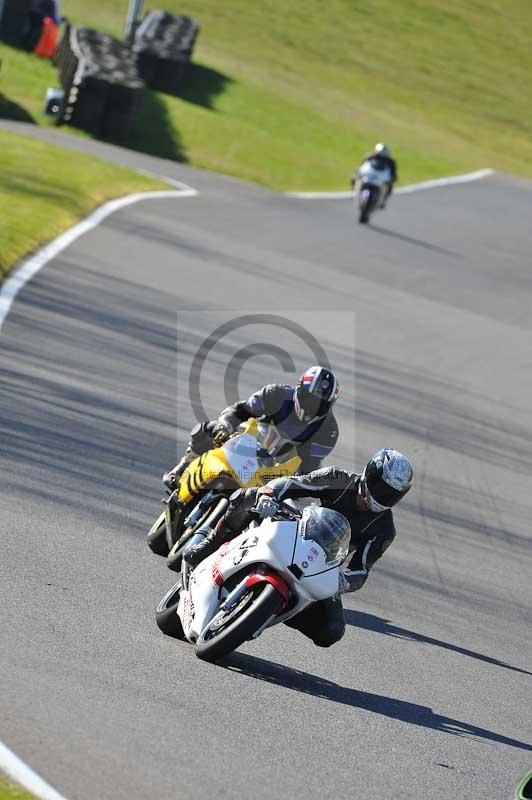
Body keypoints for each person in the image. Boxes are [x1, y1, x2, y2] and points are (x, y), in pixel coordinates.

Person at [184, 448, 413, 648]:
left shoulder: (384, 530)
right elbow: (294, 484)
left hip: (323, 565)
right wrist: (270, 494)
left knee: (332, 630)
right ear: (369, 475)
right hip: (297, 528)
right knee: (250, 496)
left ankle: (272, 611)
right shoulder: (338, 478)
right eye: (380, 488)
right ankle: (212, 543)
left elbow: (361, 570)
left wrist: (343, 582)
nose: (383, 497)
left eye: (391, 494)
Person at [163, 366, 340, 489]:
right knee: (208, 429)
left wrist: (294, 481)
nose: (312, 408)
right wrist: (225, 425)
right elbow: (239, 411)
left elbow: (308, 466)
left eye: (320, 405)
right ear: (298, 390)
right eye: (310, 400)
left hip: (277, 469)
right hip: (249, 441)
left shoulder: (329, 431)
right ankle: (181, 468)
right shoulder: (275, 394)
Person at [352, 143, 397, 208]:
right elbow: (362, 165)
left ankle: (383, 201)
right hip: (368, 175)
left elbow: (393, 173)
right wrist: (358, 171)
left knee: (389, 187)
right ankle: (354, 191)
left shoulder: (391, 162)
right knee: (355, 178)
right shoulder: (370, 156)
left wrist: (392, 179)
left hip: (381, 178)